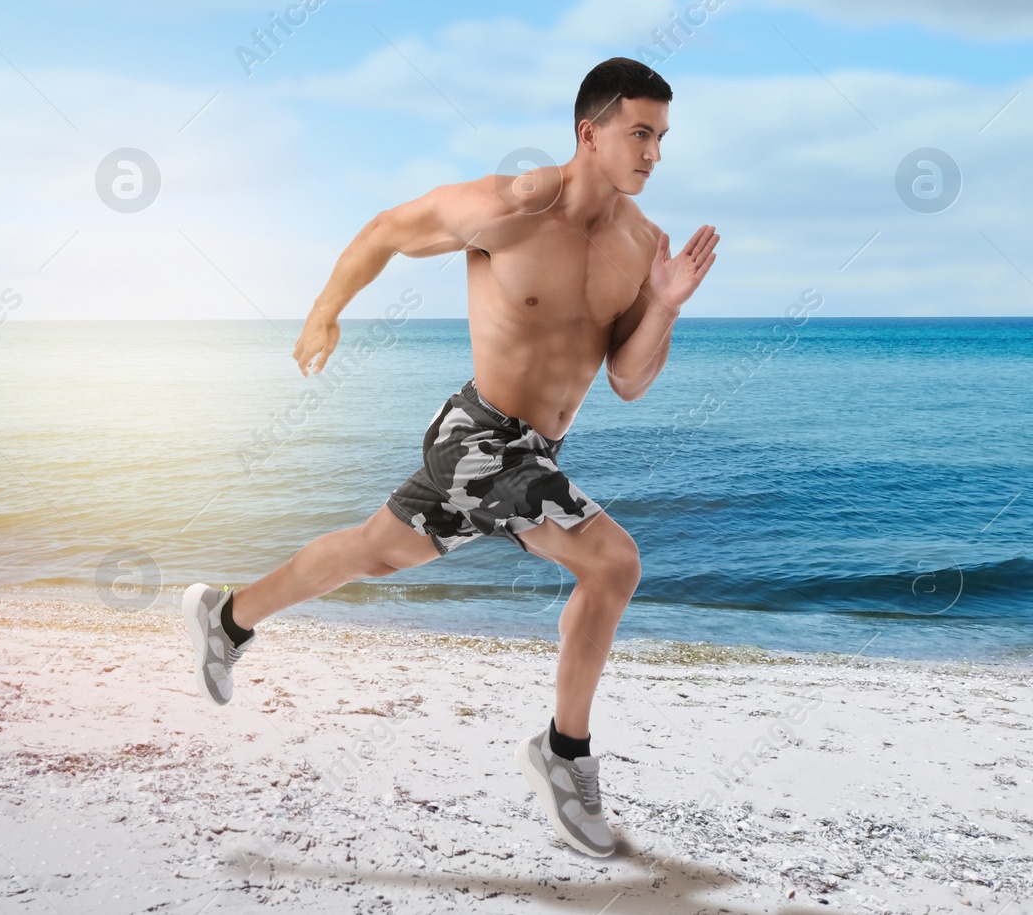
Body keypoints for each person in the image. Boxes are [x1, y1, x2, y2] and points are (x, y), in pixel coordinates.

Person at [180, 56, 717, 858]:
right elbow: (389, 230)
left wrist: (666, 307)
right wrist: (326, 310)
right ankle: (563, 757)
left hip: (534, 451)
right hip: (477, 435)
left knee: (373, 553)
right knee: (614, 564)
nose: (653, 153)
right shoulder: (511, 207)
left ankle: (224, 617)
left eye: (662, 137)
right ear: (590, 132)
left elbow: (629, 379)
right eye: (639, 133)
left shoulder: (642, 245)